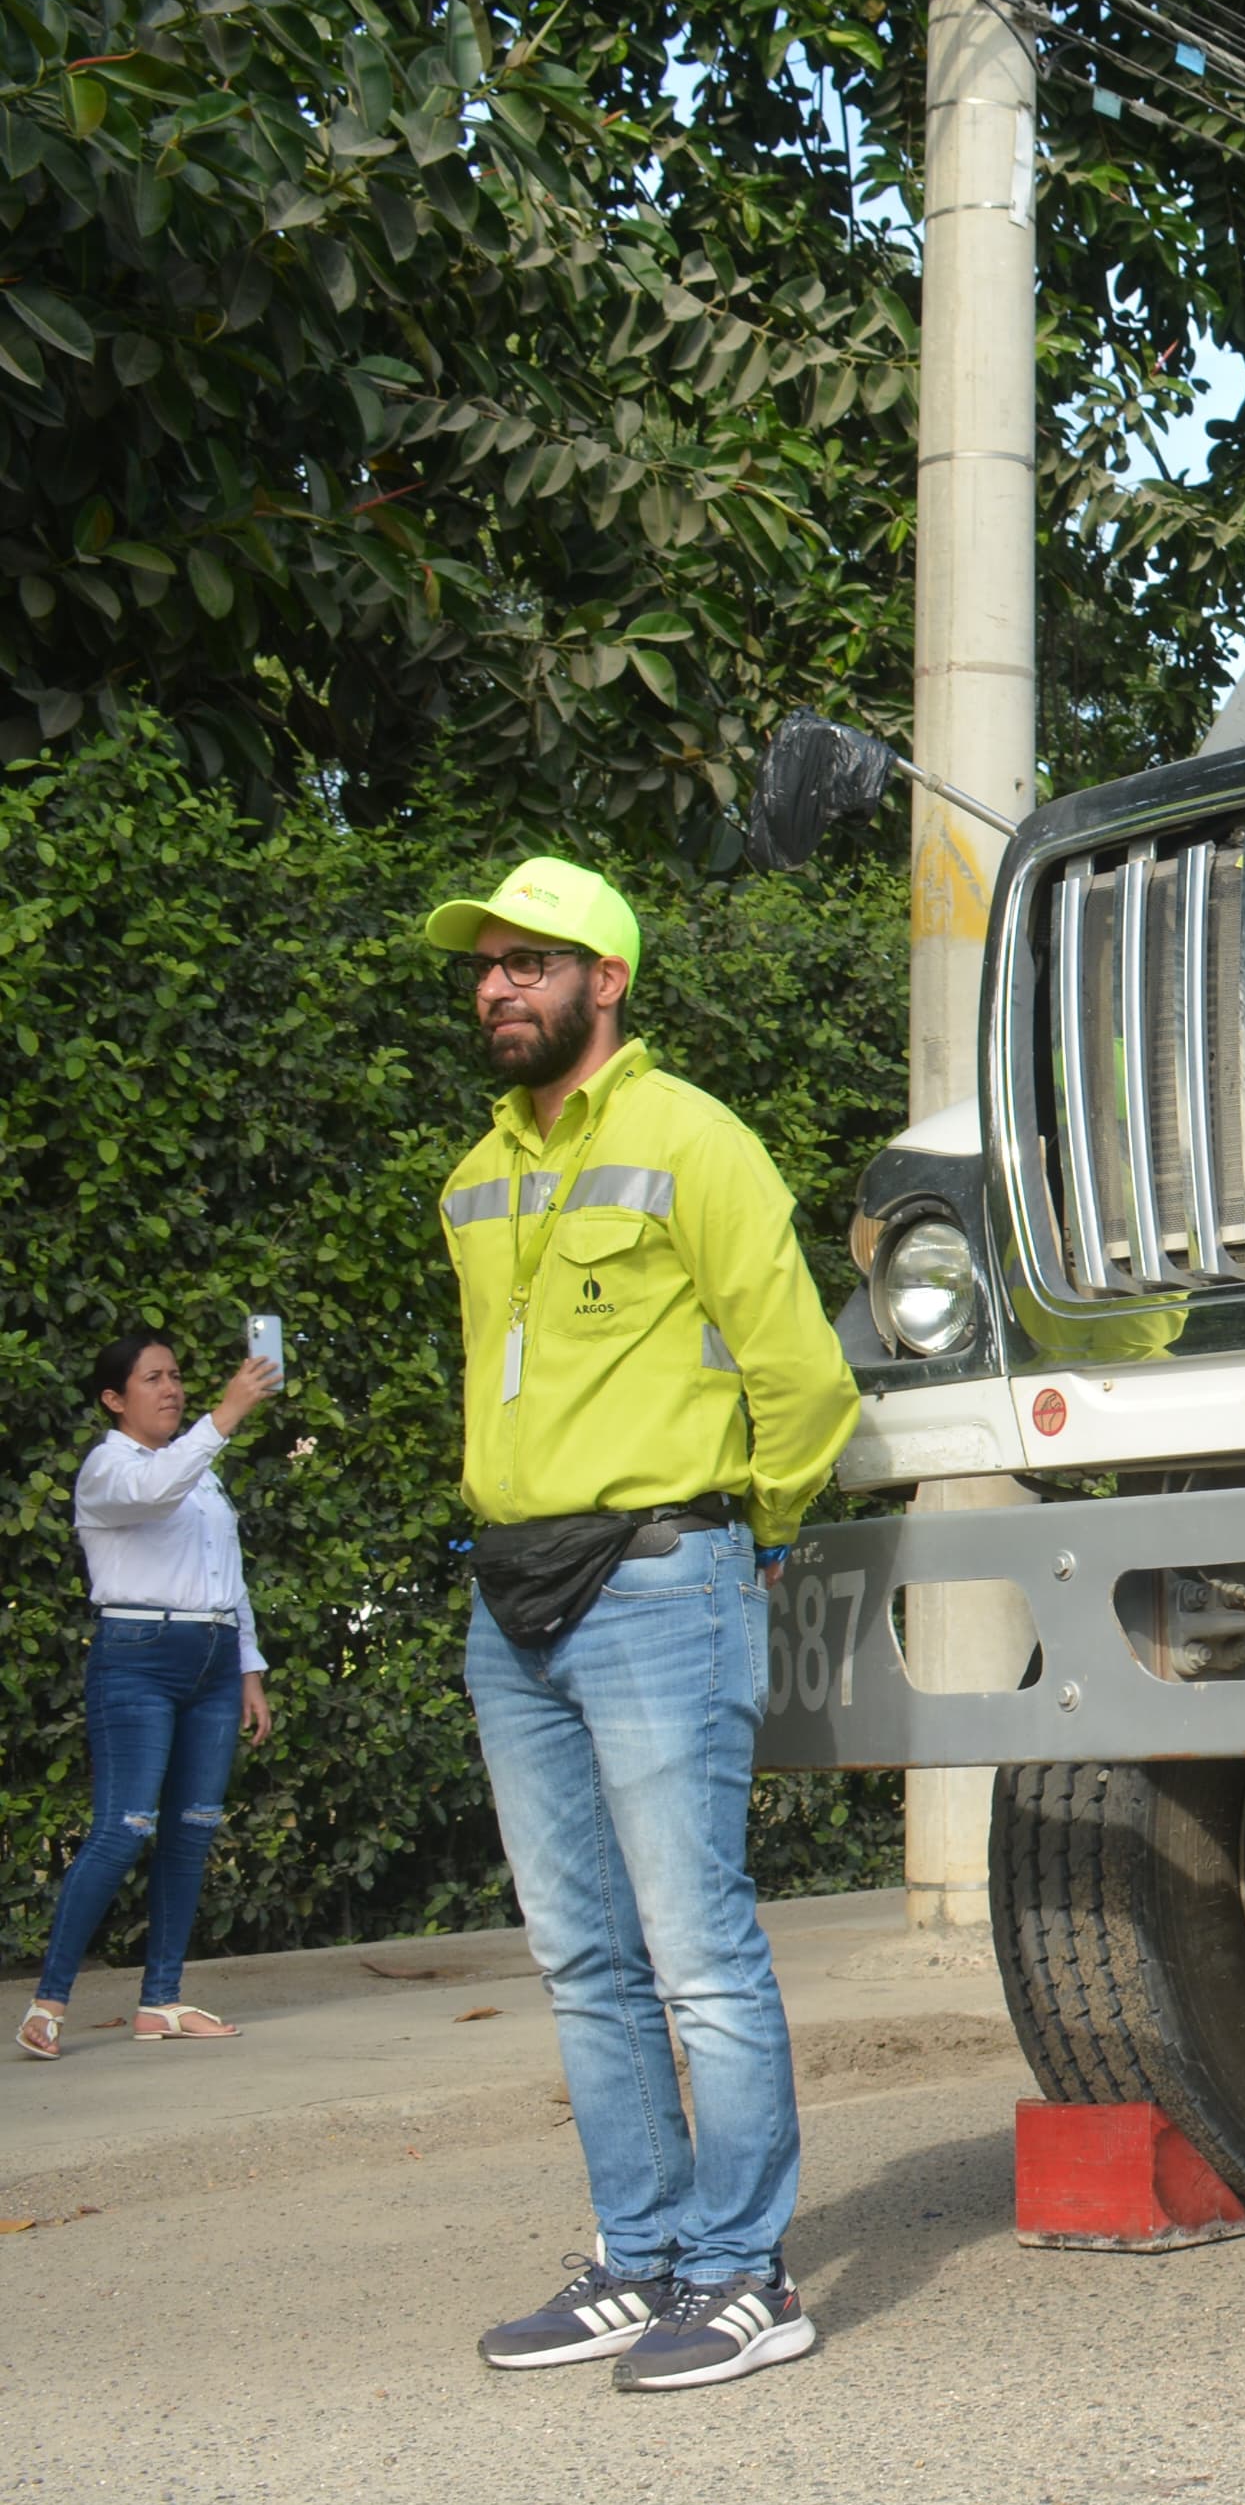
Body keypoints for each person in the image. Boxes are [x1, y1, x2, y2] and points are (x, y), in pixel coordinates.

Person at [420, 857, 859, 2393]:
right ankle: (642, 2253)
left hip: (664, 1575)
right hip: (512, 1592)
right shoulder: (475, 1173)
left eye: (530, 962)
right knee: (579, 1954)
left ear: (607, 978)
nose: (497, 986)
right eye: (485, 965)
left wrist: (769, 1537)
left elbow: (804, 1376)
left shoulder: (695, 1139)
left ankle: (746, 2273)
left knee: (696, 1948)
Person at [21, 1332, 286, 2059]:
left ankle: (161, 2001)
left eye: (176, 1375)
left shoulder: (198, 1470)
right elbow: (151, 1492)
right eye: (151, 1379)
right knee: (125, 1826)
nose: (170, 1388)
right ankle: (49, 2001)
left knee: (192, 1828)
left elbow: (224, 1571)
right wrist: (225, 1416)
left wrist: (248, 1667)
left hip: (210, 1658)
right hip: (136, 1656)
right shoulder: (110, 1467)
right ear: (114, 1398)